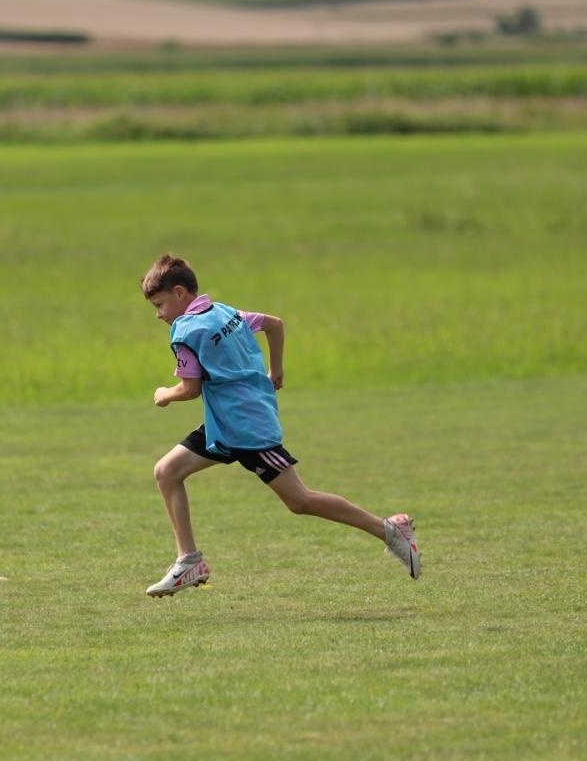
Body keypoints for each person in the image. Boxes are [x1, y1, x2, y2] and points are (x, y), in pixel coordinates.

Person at [140, 254, 419, 597]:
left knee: (299, 500)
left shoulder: (185, 330)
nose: (159, 314)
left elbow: (190, 388)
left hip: (246, 429)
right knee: (166, 472)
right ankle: (189, 561)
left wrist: (165, 394)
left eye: (160, 304)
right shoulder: (224, 312)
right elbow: (274, 324)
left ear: (180, 293)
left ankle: (390, 530)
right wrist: (276, 370)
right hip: (228, 424)